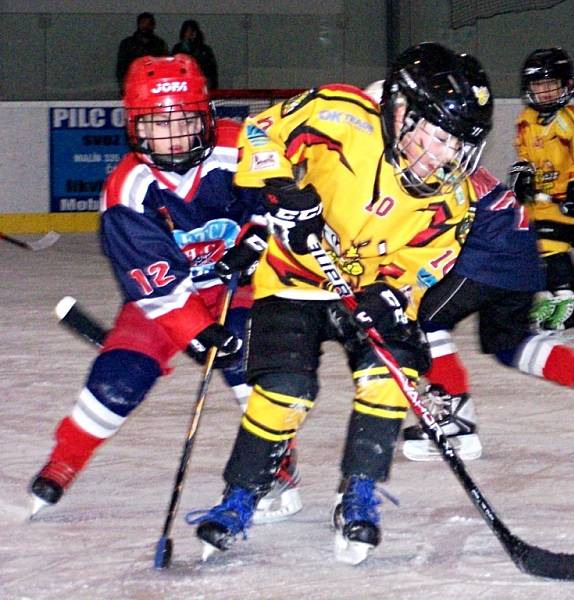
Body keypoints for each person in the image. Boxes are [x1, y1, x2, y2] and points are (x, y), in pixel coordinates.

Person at [185, 42, 493, 566]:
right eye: (437, 137)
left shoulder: (453, 202)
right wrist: (279, 186)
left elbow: (426, 265)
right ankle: (241, 494)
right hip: (291, 278)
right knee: (283, 392)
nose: (444, 157)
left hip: (364, 294)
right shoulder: (342, 115)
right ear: (402, 112)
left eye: (456, 146)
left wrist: (393, 296)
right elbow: (263, 131)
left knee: (387, 378)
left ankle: (360, 491)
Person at [28, 55, 300, 523]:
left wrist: (256, 238)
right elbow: (161, 292)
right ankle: (64, 461)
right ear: (135, 127)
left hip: (240, 286)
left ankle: (276, 463)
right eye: (157, 123)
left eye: (184, 121)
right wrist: (196, 332)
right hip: (169, 299)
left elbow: (286, 200)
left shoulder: (241, 149)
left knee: (248, 366)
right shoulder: (127, 192)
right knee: (118, 378)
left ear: (205, 117)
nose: (172, 136)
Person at [401, 166, 574, 461]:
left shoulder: (407, 154)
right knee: (508, 343)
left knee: (417, 318)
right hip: (521, 245)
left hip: (485, 246)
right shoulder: (439, 145)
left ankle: (456, 418)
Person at [511, 47, 574, 340]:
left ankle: (571, 311)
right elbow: (524, 155)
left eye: (552, 85)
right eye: (539, 85)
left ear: (567, 86)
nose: (545, 92)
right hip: (542, 203)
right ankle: (554, 298)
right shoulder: (526, 120)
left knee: (550, 244)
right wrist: (522, 175)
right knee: (533, 248)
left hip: (570, 203)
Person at [115, 12, 169, 94]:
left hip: (154, 87)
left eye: (149, 24)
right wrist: (123, 86)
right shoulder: (127, 43)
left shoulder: (159, 44)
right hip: (133, 85)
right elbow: (121, 67)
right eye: (143, 23)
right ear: (138, 25)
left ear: (153, 26)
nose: (145, 27)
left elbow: (165, 66)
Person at [172, 19, 219, 90]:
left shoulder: (204, 50)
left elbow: (211, 70)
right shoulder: (178, 49)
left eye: (192, 31)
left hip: (200, 83)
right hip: (183, 84)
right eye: (188, 31)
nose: (190, 34)